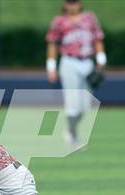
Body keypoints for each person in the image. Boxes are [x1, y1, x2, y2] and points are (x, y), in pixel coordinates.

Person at [46, 0, 106, 145]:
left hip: (87, 61)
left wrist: (101, 59)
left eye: (75, 2)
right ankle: (72, 134)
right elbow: (52, 43)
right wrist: (51, 67)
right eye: (70, 3)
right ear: (65, 5)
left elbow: (98, 39)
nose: (72, 5)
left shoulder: (89, 18)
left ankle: (70, 129)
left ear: (79, 4)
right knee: (72, 101)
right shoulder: (59, 21)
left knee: (86, 104)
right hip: (69, 61)